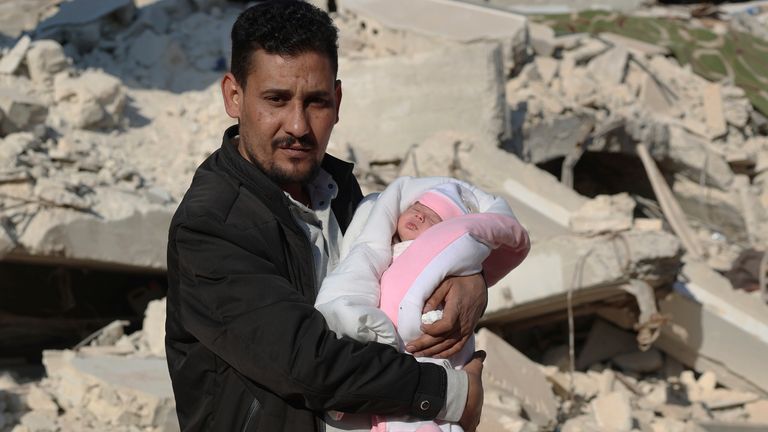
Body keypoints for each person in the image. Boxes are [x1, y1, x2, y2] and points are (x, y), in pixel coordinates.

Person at [165, 2, 489, 431]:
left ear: (337, 101)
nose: (298, 125)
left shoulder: (341, 192)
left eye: (315, 102)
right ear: (234, 96)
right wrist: (451, 394)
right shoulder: (211, 226)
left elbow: (407, 262)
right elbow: (307, 362)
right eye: (276, 100)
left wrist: (469, 278)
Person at [316, 179, 531, 432]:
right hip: (388, 377)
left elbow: (428, 310)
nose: (419, 215)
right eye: (416, 207)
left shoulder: (342, 192)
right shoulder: (380, 248)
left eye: (432, 217)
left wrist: (474, 279)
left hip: (417, 365)